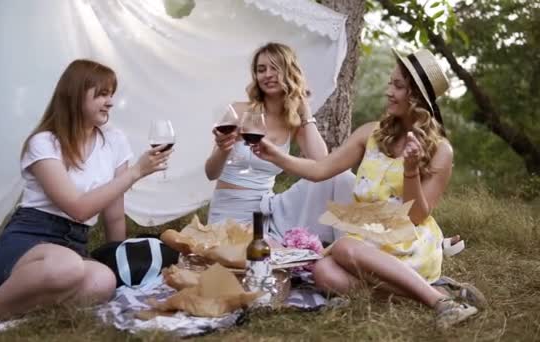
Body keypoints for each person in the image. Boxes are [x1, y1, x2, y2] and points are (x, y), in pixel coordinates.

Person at [0, 59, 173, 328]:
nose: (110, 102)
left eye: (111, 94)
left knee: (104, 282)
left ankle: (16, 310)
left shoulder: (114, 141)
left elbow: (114, 215)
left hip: (74, 246)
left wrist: (118, 259)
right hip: (28, 242)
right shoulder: (44, 143)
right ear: (76, 95)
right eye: (102, 94)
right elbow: (78, 208)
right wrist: (136, 172)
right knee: (67, 266)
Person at [251, 48, 481, 328]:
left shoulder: (440, 150)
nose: (388, 92)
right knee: (323, 272)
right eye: (390, 83)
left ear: (417, 97)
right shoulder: (370, 134)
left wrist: (410, 171)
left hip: (409, 243)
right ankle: (434, 292)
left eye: (397, 86)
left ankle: (440, 304)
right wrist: (275, 154)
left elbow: (417, 217)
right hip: (369, 240)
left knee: (344, 246)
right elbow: (321, 170)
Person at [204, 42, 356, 244]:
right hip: (229, 213)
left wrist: (305, 111)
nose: (267, 74)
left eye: (275, 68)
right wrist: (223, 149)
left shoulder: (293, 122)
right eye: (261, 70)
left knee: (342, 178)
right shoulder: (239, 112)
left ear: (289, 72)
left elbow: (323, 165)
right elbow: (211, 173)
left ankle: (348, 249)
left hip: (270, 211)